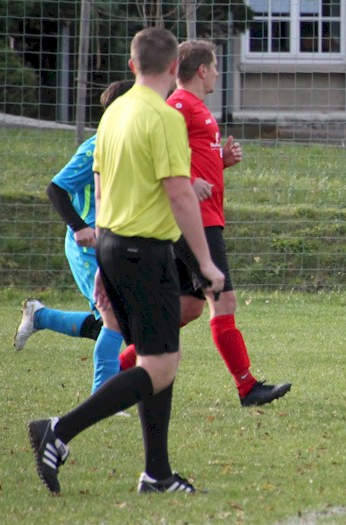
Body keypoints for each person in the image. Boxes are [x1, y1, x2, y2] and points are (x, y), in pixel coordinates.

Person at [27, 27, 225, 495]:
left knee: (159, 358)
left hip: (113, 244)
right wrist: (204, 262)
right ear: (175, 67)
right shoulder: (164, 117)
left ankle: (157, 474)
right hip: (145, 249)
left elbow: (100, 186)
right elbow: (179, 193)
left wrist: (103, 257)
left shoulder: (114, 113)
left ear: (133, 66)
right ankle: (58, 430)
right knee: (160, 367)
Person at [116, 39, 291, 407]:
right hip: (196, 220)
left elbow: (187, 157)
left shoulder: (196, 108)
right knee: (224, 299)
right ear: (201, 70)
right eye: (214, 67)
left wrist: (221, 160)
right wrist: (189, 182)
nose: (217, 74)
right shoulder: (178, 104)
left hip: (205, 216)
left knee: (189, 306)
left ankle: (125, 364)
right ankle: (247, 387)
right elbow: (151, 149)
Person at [14, 80, 133, 394]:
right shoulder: (95, 148)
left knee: (115, 322)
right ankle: (104, 396)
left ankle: (41, 317)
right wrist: (80, 226)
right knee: (115, 320)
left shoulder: (129, 147)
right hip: (88, 248)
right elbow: (56, 189)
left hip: (116, 243)